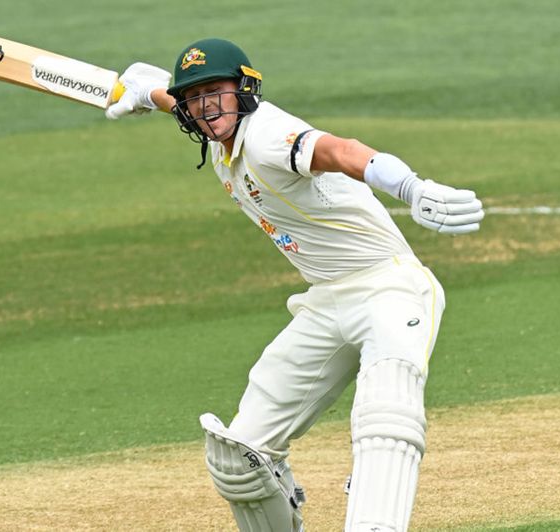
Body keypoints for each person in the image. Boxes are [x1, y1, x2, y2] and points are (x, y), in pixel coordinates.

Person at [105, 38, 484, 532]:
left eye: (216, 93)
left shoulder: (265, 135)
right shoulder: (217, 133)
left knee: (385, 418)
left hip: (389, 287)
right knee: (240, 455)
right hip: (326, 301)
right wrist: (150, 88)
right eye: (194, 99)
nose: (205, 108)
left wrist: (411, 187)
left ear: (244, 90)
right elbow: (180, 100)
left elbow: (343, 151)